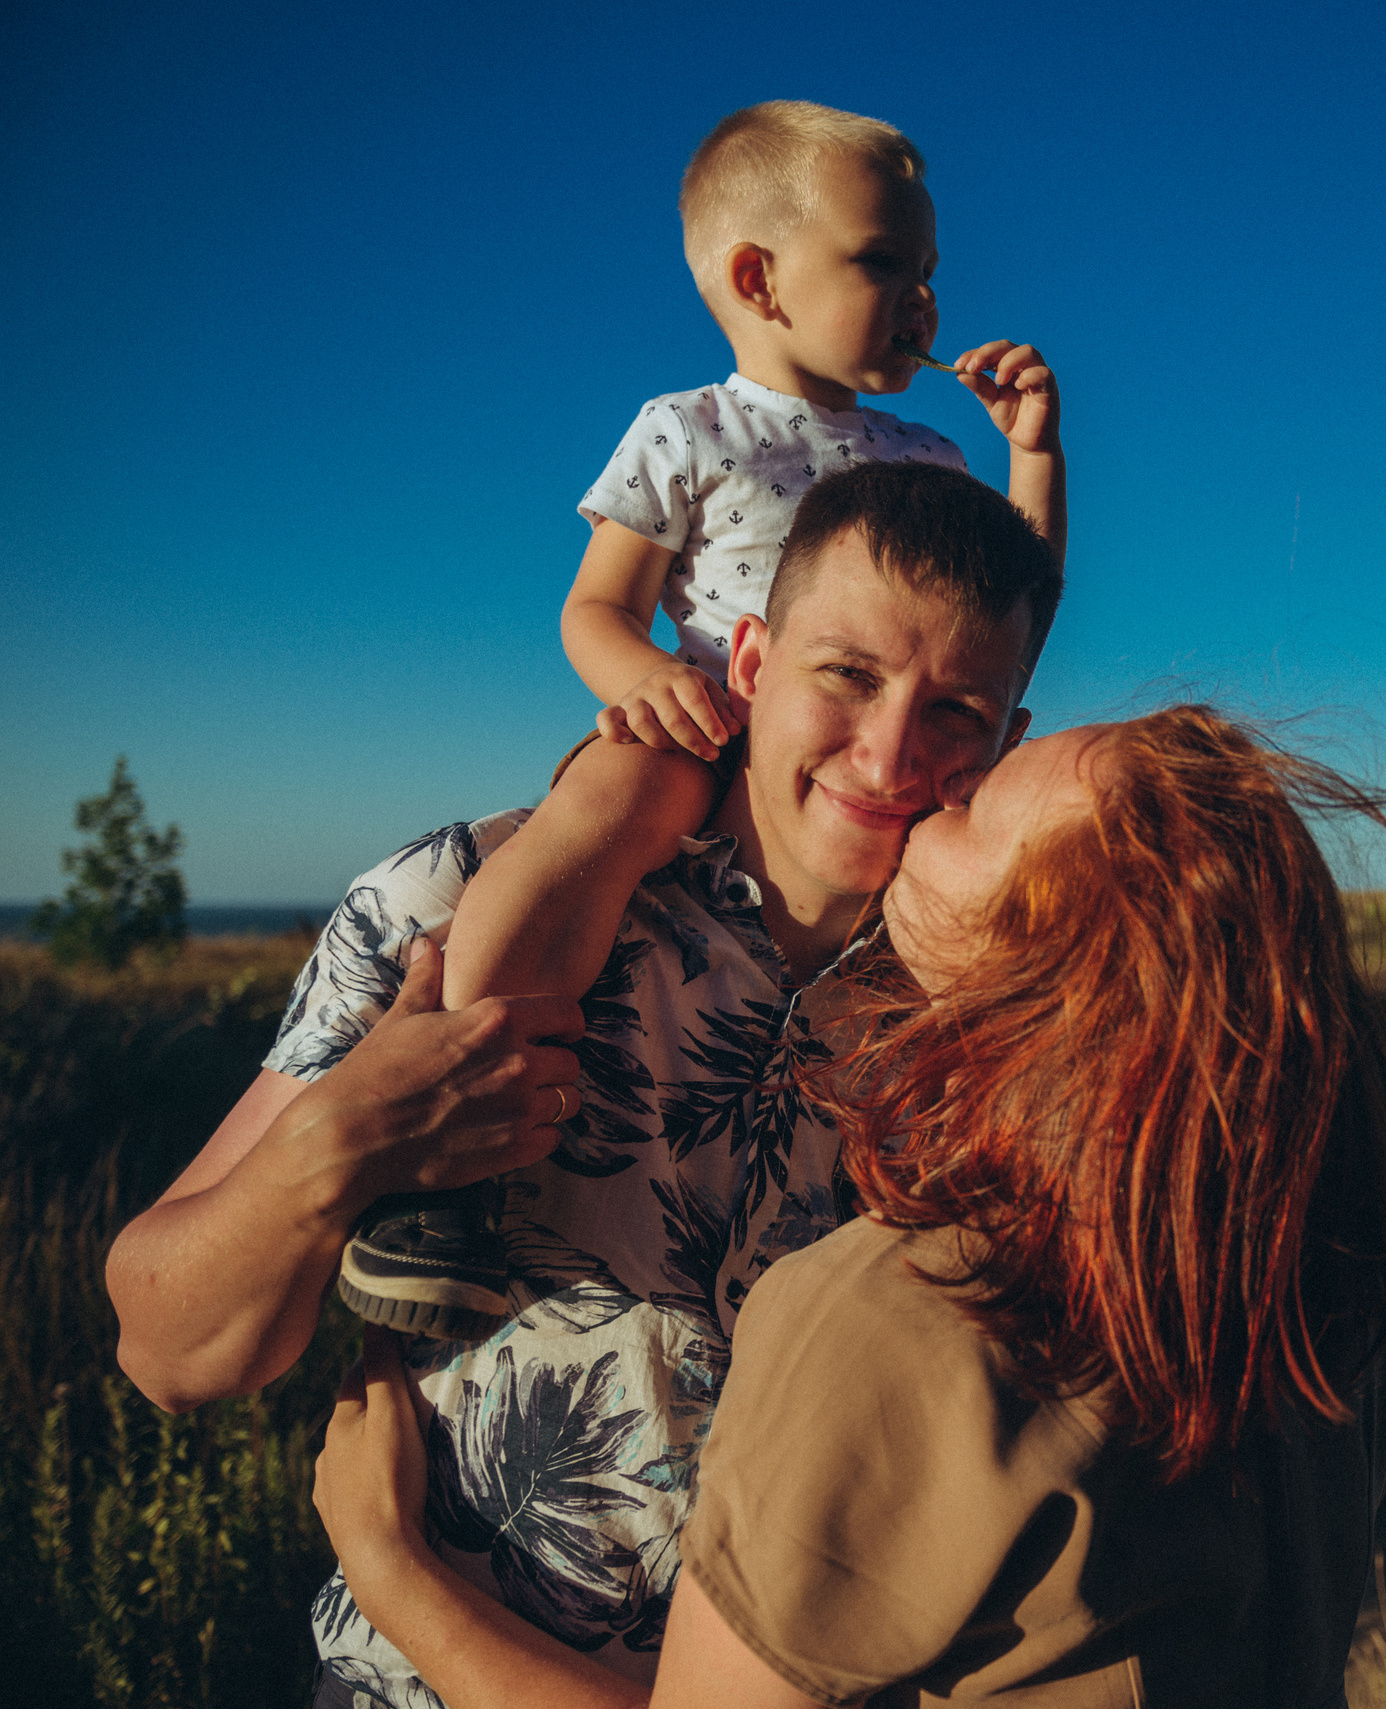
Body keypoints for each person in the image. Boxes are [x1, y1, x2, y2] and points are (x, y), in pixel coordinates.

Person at [105, 461, 1063, 1702]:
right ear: (755, 664)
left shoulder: (991, 1032)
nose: (887, 751)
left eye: (955, 710)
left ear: (1007, 741)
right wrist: (333, 1145)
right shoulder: (461, 897)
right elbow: (169, 1353)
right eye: (850, 674)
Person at [314, 707, 1386, 1707]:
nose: (922, 793)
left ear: (1043, 955)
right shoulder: (1311, 1277)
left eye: (971, 805)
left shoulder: (908, 1312)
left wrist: (390, 1567)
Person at [332, 96, 1070, 1339]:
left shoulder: (926, 458)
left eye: (931, 272)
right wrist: (641, 684)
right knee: (598, 810)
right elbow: (591, 607)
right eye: (887, 263)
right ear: (756, 278)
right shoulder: (687, 430)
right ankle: (451, 1167)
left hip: (848, 759)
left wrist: (1035, 457)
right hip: (702, 725)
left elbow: (1013, 612)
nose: (927, 301)